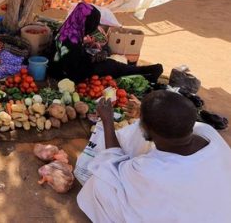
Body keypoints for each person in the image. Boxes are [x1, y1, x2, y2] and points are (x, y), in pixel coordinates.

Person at [77, 90, 231, 222]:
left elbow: (111, 164)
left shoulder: (151, 170)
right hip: (217, 210)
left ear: (148, 130)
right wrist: (143, 114)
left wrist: (108, 122)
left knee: (100, 182)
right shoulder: (208, 132)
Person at [48, 2, 163, 83]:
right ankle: (146, 71)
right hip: (65, 74)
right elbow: (74, 68)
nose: (93, 28)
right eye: (92, 24)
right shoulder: (72, 40)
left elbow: (68, 53)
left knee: (111, 64)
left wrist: (86, 47)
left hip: (58, 66)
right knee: (111, 66)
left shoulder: (67, 28)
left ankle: (145, 71)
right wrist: (95, 58)